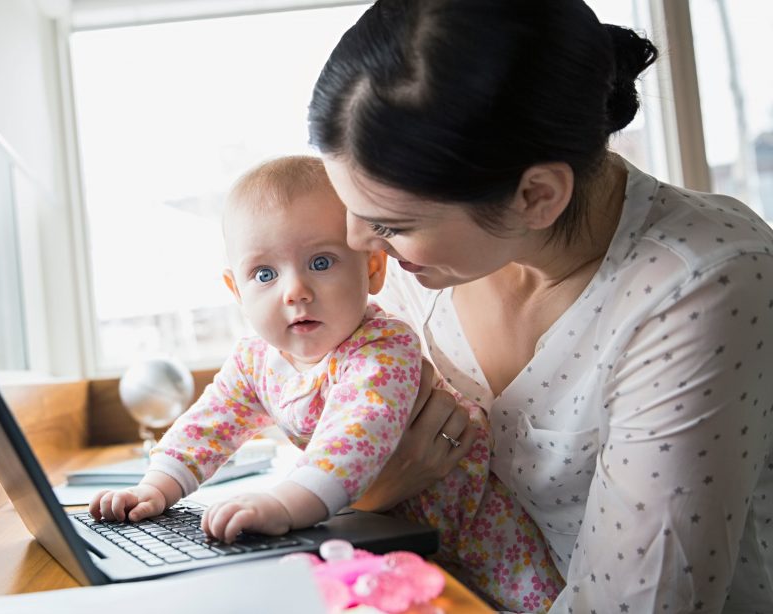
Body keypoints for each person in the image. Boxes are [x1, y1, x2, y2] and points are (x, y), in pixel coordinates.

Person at [307, 0, 773, 612]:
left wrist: (370, 495)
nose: (357, 242)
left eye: (389, 224)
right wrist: (373, 494)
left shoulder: (699, 284)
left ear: (536, 195)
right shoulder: (427, 267)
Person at [89, 155, 563, 610]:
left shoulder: (382, 345)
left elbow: (356, 433)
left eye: (321, 262)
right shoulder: (255, 361)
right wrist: (157, 487)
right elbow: (208, 425)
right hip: (384, 532)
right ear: (237, 291)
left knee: (531, 603)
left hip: (478, 527)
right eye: (265, 273)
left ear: (372, 269)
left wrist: (285, 503)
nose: (294, 291)